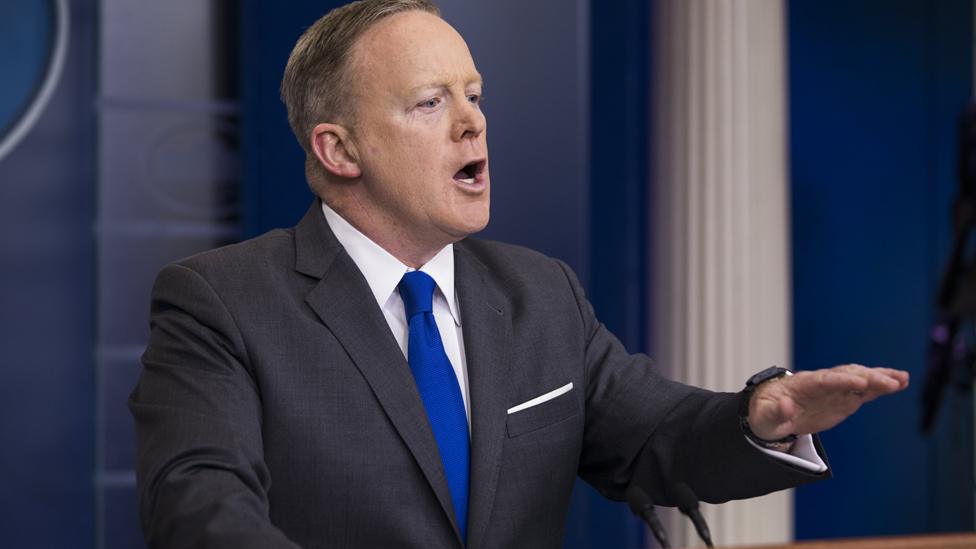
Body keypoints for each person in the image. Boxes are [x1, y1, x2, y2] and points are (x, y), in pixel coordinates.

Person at [129, 1, 909, 548]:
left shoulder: (540, 294)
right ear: (339, 150)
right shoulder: (221, 303)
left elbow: (658, 438)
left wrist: (761, 414)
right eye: (431, 102)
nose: (474, 121)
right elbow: (200, 511)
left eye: (474, 94)